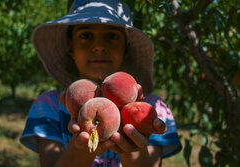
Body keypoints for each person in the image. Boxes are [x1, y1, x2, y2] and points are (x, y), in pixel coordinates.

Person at [20, 0, 182, 166]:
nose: (98, 46)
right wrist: (82, 146)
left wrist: (133, 146)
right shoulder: (49, 106)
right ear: (70, 47)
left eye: (112, 35)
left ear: (126, 48)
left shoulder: (152, 109)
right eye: (86, 35)